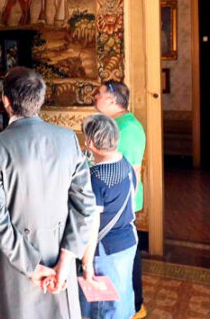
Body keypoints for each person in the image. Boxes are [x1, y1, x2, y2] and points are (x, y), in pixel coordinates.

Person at [0, 66, 96, 319]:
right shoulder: (68, 139)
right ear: (41, 99)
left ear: (6, 101)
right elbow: (85, 205)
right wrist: (68, 257)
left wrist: (31, 266)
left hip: (18, 263)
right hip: (61, 258)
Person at [93, 79, 147, 318]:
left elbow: (133, 171)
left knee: (126, 256)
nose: (95, 95)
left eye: (99, 93)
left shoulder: (128, 128)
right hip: (110, 203)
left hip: (121, 207)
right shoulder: (114, 124)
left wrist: (125, 210)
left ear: (111, 100)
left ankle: (135, 306)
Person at [79, 114, 138, 319]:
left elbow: (91, 226)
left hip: (105, 250)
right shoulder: (125, 163)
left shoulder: (96, 177)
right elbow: (133, 192)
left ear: (91, 143)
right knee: (121, 300)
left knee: (102, 308)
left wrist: (86, 265)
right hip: (128, 241)